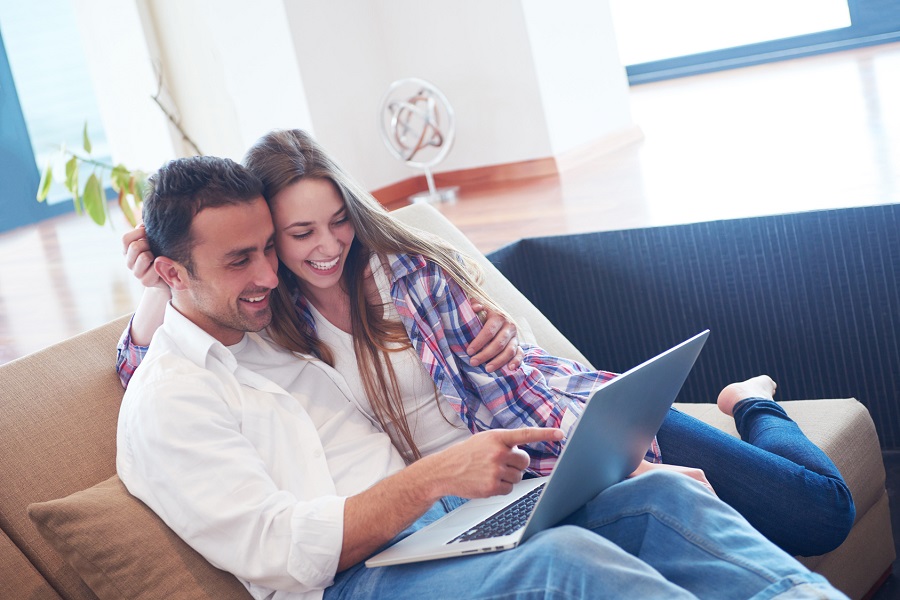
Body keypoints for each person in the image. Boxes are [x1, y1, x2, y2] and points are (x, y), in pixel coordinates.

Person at [117, 154, 847, 599]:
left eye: (265, 250)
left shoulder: (275, 324)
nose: (270, 274)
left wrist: (501, 333)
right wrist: (436, 477)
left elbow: (483, 351)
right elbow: (282, 550)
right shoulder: (171, 397)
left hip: (449, 523)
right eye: (242, 260)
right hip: (355, 580)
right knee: (567, 562)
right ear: (171, 271)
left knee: (657, 494)